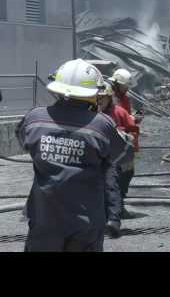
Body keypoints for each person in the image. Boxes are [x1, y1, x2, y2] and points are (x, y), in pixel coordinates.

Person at [15, 59, 122, 252]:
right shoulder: (101, 125)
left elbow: (23, 141)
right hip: (85, 223)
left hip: (44, 218)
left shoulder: (35, 118)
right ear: (93, 93)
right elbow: (121, 153)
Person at [97, 82, 138, 220]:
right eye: (97, 97)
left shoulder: (119, 112)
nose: (99, 100)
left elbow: (133, 131)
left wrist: (126, 135)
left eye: (103, 97)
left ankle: (118, 207)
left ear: (109, 98)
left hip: (120, 156)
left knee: (123, 179)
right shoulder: (89, 113)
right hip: (100, 156)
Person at [108, 68, 142, 151]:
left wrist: (135, 117)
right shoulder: (109, 99)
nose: (127, 88)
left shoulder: (124, 98)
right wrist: (131, 118)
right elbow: (112, 123)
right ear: (117, 84)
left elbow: (126, 114)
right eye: (125, 85)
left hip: (128, 135)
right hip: (118, 137)